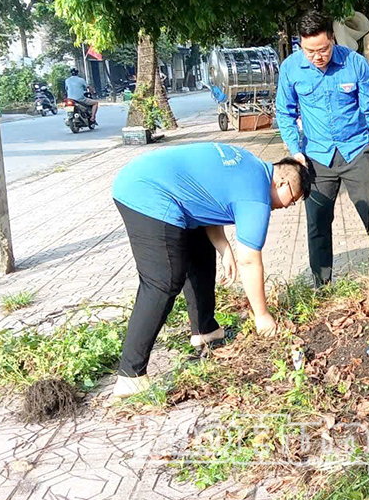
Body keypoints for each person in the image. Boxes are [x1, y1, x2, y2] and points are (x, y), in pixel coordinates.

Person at [109, 142, 312, 398]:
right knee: (163, 280)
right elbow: (250, 261)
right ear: (282, 183)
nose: (286, 207)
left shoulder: (251, 164)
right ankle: (130, 375)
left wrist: (222, 246)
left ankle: (205, 330)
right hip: (147, 192)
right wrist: (262, 316)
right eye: (292, 200)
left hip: (150, 181)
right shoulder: (257, 194)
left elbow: (208, 198)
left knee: (201, 254)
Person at [276, 11, 369, 287]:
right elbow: (285, 112)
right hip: (316, 157)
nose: (317, 56)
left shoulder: (355, 63)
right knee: (317, 224)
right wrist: (295, 150)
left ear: (333, 38)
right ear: (300, 45)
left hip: (356, 151)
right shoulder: (291, 68)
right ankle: (322, 286)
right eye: (310, 51)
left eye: (323, 49)